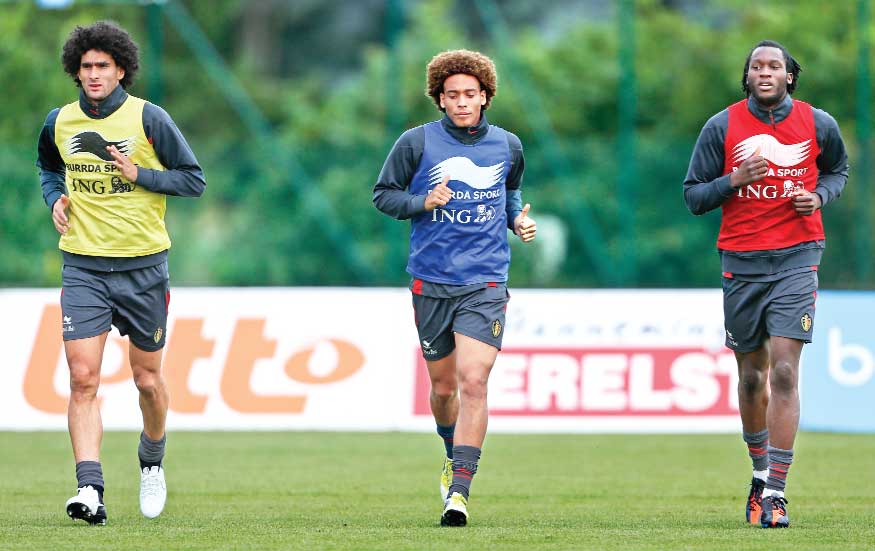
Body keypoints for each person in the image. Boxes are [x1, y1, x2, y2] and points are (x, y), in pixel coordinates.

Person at [37, 21, 206, 525]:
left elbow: (193, 180)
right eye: (85, 66)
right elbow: (48, 168)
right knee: (83, 378)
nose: (93, 74)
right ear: (76, 70)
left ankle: (152, 460)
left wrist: (141, 175)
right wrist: (54, 199)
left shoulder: (148, 118)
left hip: (144, 268)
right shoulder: (59, 122)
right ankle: (90, 489)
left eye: (102, 66)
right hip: (84, 265)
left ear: (121, 70)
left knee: (147, 380)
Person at [683, 40, 848, 528]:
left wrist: (818, 196)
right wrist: (733, 179)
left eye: (774, 65)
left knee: (784, 373)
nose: (765, 72)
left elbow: (838, 170)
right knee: (752, 377)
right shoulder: (721, 126)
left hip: (799, 259)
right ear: (748, 76)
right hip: (742, 264)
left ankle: (776, 492)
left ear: (790, 75)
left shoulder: (820, 123)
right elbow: (693, 196)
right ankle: (758, 473)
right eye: (757, 66)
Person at [373, 49, 536, 526]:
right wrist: (424, 201)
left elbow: (510, 191)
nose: (462, 102)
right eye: (452, 96)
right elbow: (384, 195)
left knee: (473, 381)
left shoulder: (507, 145)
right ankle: (450, 452)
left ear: (485, 97)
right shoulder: (415, 142)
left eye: (470, 94)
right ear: (439, 100)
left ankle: (459, 494)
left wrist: (516, 220)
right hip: (431, 282)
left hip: (485, 281)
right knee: (444, 389)